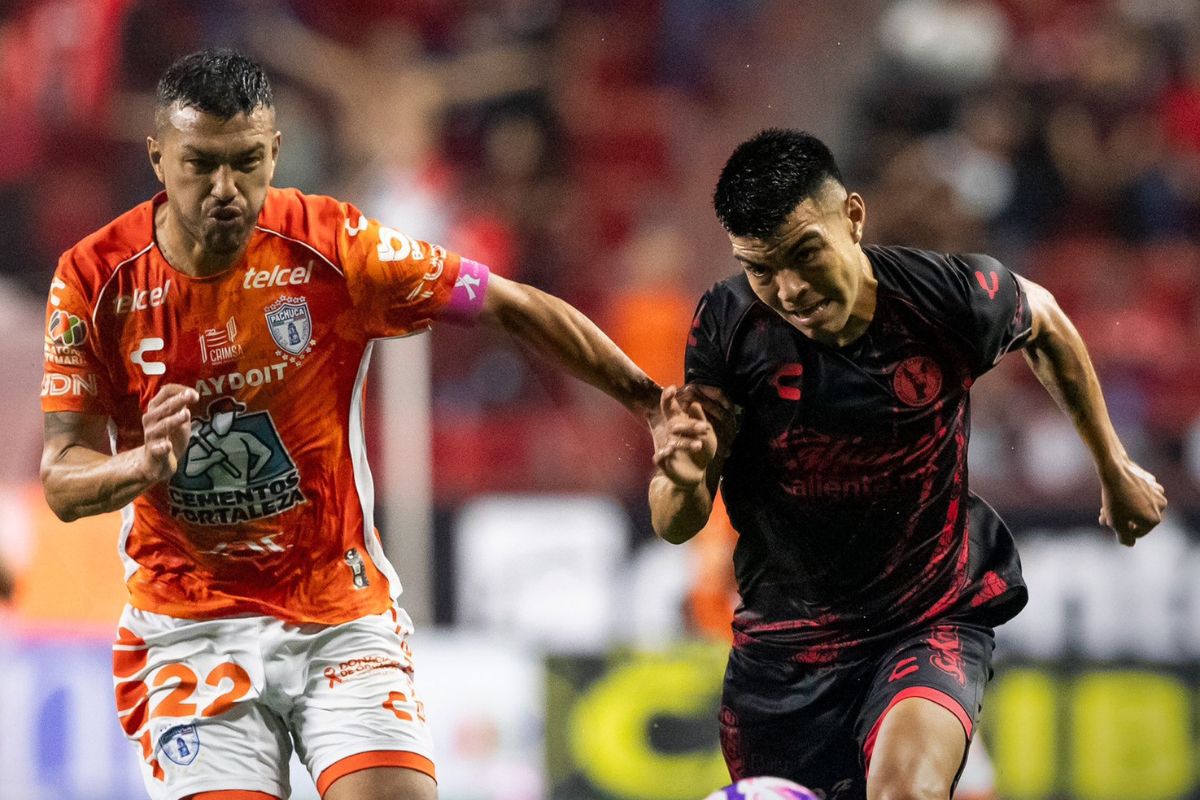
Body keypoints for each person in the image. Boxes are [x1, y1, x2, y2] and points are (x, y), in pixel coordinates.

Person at [39, 50, 663, 800]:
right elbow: (63, 478)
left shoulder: (333, 247)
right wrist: (138, 468)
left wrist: (650, 401)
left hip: (338, 613)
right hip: (189, 631)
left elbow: (508, 302)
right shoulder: (93, 279)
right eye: (200, 164)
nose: (226, 190)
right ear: (157, 156)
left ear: (274, 152)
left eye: (246, 163)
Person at [649, 129, 1167, 800]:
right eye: (760, 267)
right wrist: (684, 482)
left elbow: (1047, 322)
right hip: (785, 653)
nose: (790, 289)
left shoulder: (946, 297)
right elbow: (674, 522)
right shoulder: (726, 325)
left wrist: (1114, 466)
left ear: (853, 218)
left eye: (805, 254)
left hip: (928, 620)